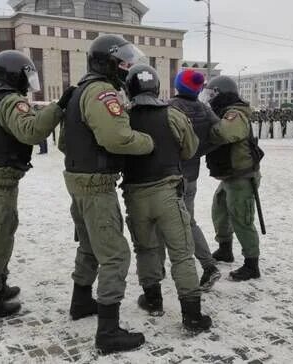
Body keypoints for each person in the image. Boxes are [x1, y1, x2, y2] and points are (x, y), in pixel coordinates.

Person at [0, 50, 69, 322]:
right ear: (16, 74)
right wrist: (58, 107)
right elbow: (30, 132)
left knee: (3, 232)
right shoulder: (11, 101)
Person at [59, 34, 152, 354]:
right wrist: (148, 142)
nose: (127, 66)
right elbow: (118, 139)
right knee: (115, 254)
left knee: (88, 245)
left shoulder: (79, 90)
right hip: (96, 186)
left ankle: (81, 300)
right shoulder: (101, 91)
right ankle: (108, 332)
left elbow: (64, 142)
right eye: (122, 60)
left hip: (78, 181)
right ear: (107, 61)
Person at [121, 64, 212, 332]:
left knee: (146, 248)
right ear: (157, 87)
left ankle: (152, 300)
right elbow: (190, 149)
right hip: (168, 193)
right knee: (182, 252)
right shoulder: (173, 114)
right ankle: (193, 315)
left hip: (135, 195)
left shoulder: (122, 118)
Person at [201, 76, 264, 281]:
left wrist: (206, 125)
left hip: (242, 176)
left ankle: (251, 264)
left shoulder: (234, 114)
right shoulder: (225, 111)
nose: (210, 99)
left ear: (221, 93)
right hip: (230, 176)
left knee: (242, 218)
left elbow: (225, 134)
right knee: (219, 210)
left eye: (212, 94)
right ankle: (225, 249)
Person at [167, 69, 221, 291]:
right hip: (191, 175)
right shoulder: (205, 109)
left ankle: (207, 266)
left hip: (171, 175)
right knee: (187, 220)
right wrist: (199, 151)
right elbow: (221, 133)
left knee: (171, 221)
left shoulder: (171, 107)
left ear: (178, 85)